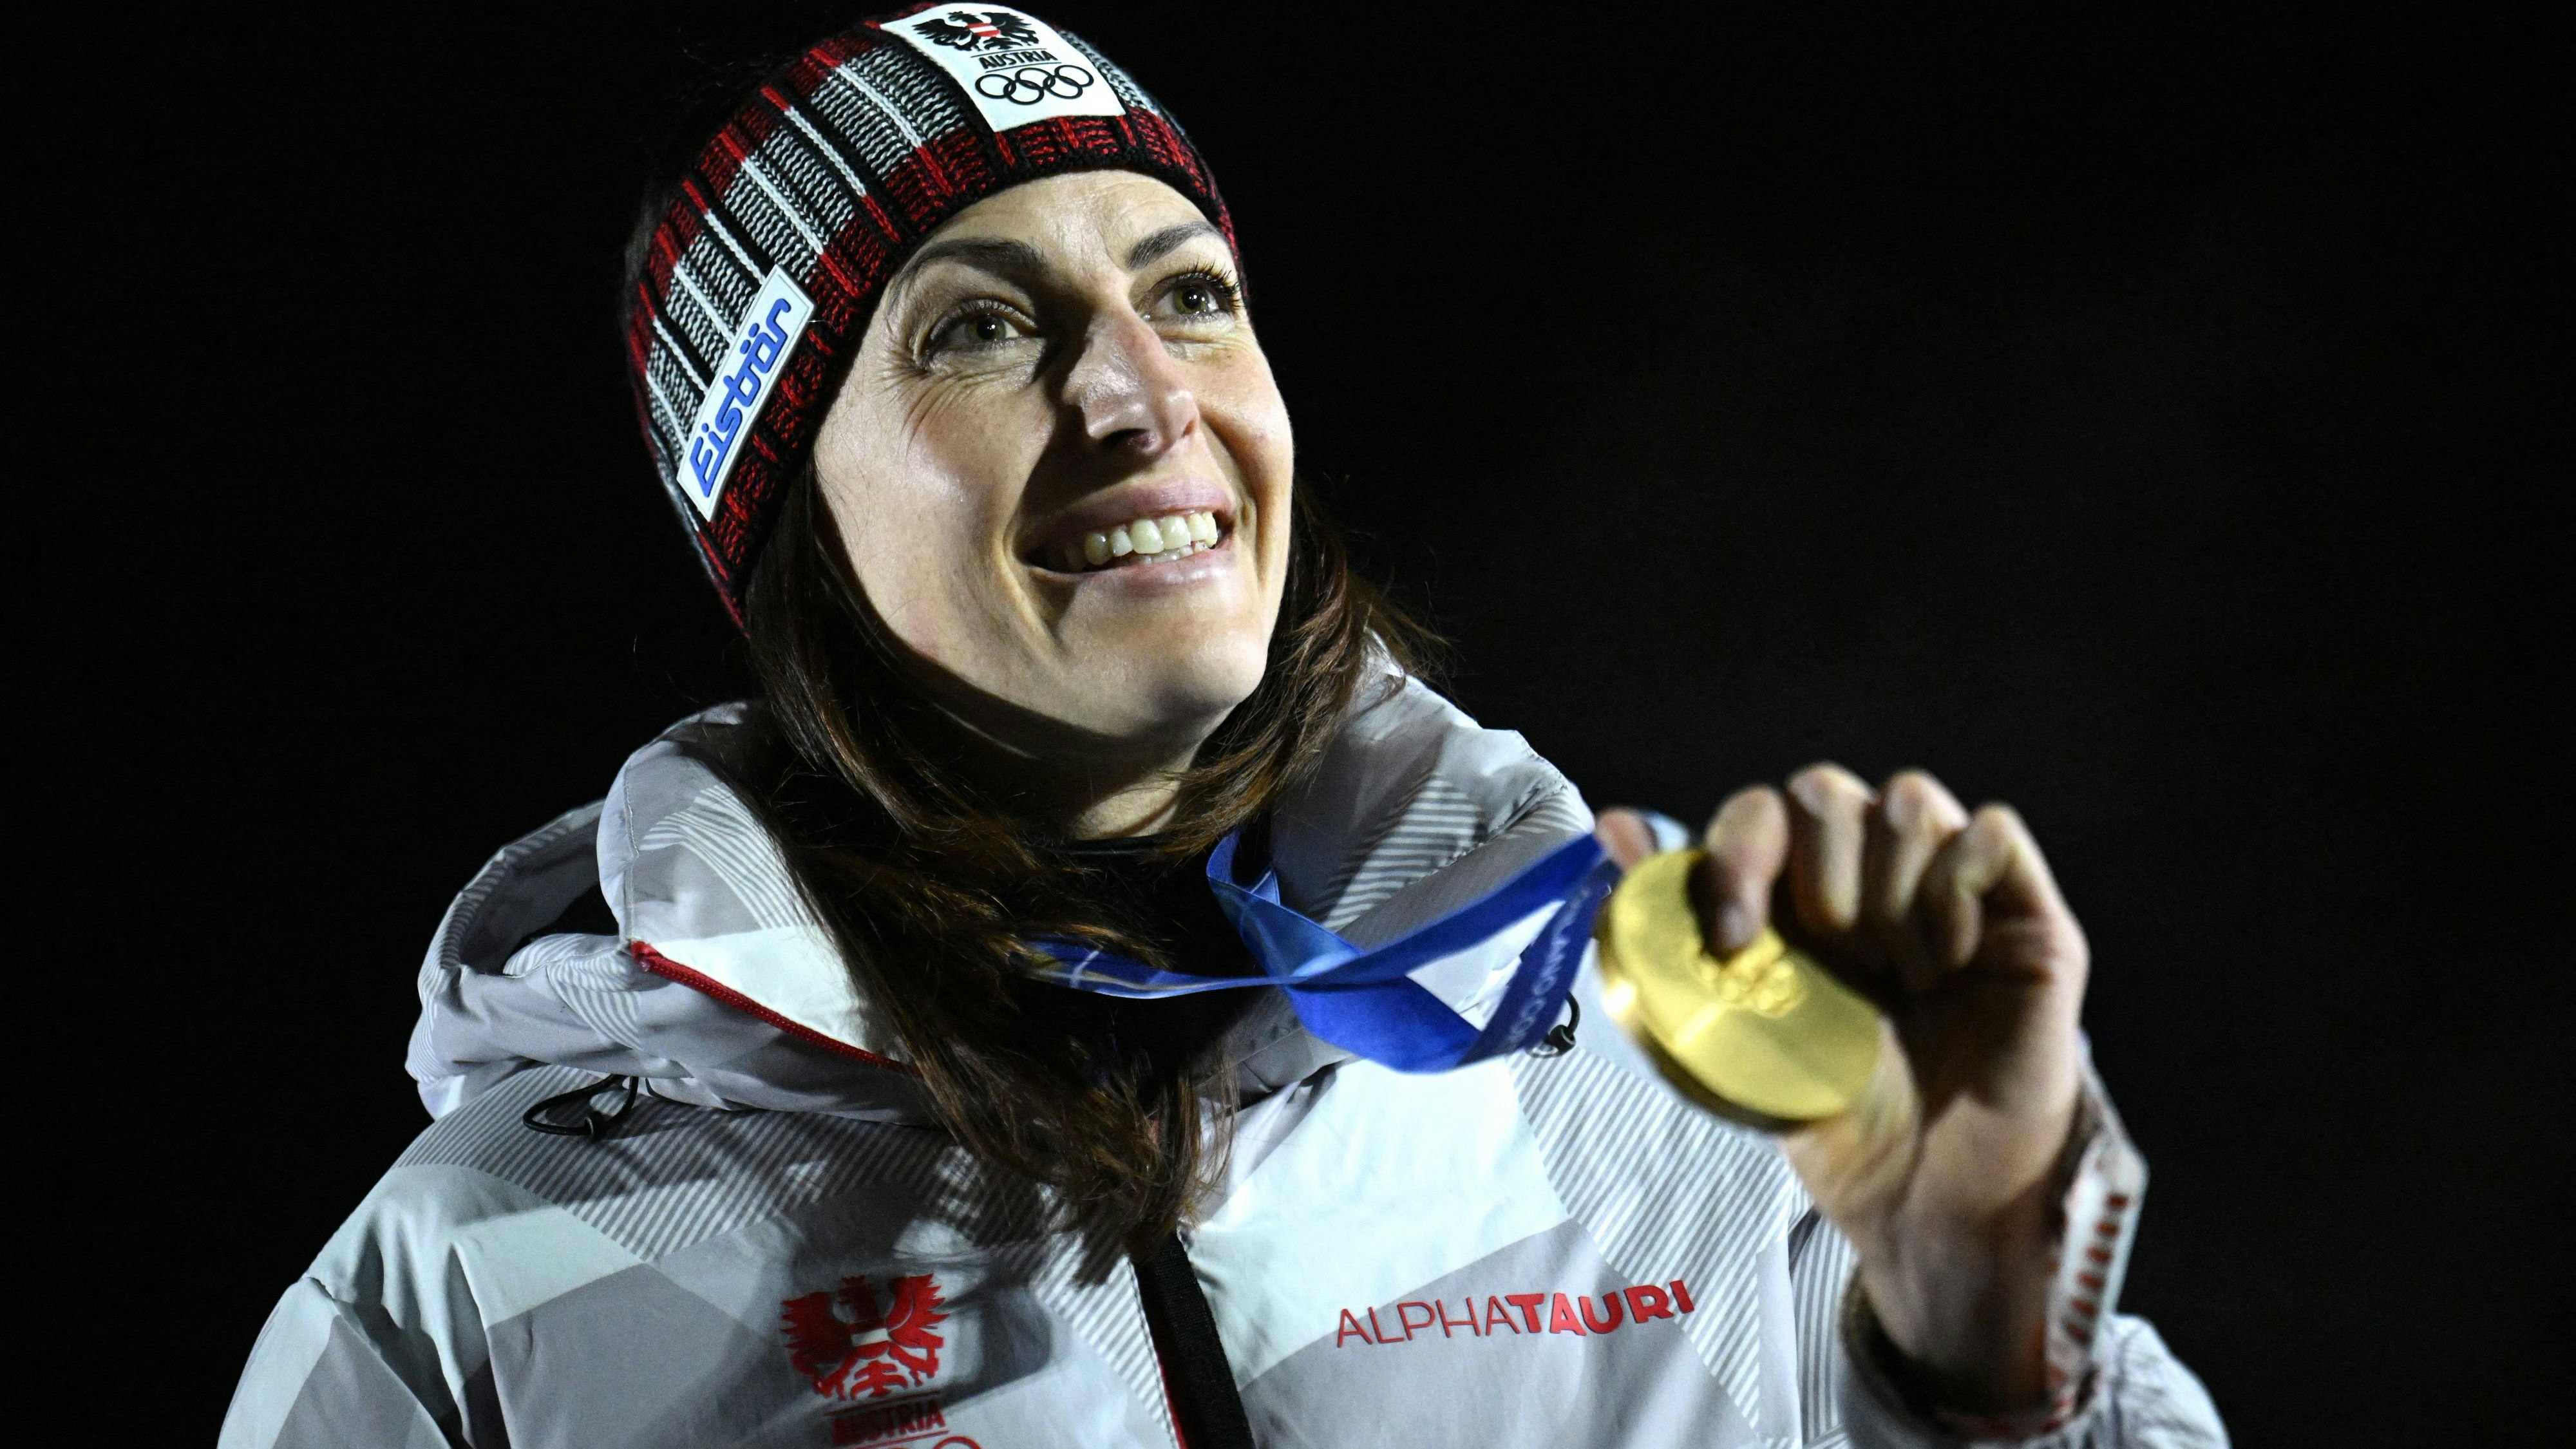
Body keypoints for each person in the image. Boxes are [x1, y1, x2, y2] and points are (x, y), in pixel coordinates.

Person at [220, 8, 2227, 1446]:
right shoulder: (490, 1275)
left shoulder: (1690, 1091)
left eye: (1190, 294)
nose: (1138, 392)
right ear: (796, 536)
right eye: (982, 327)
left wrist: (1986, 1380)